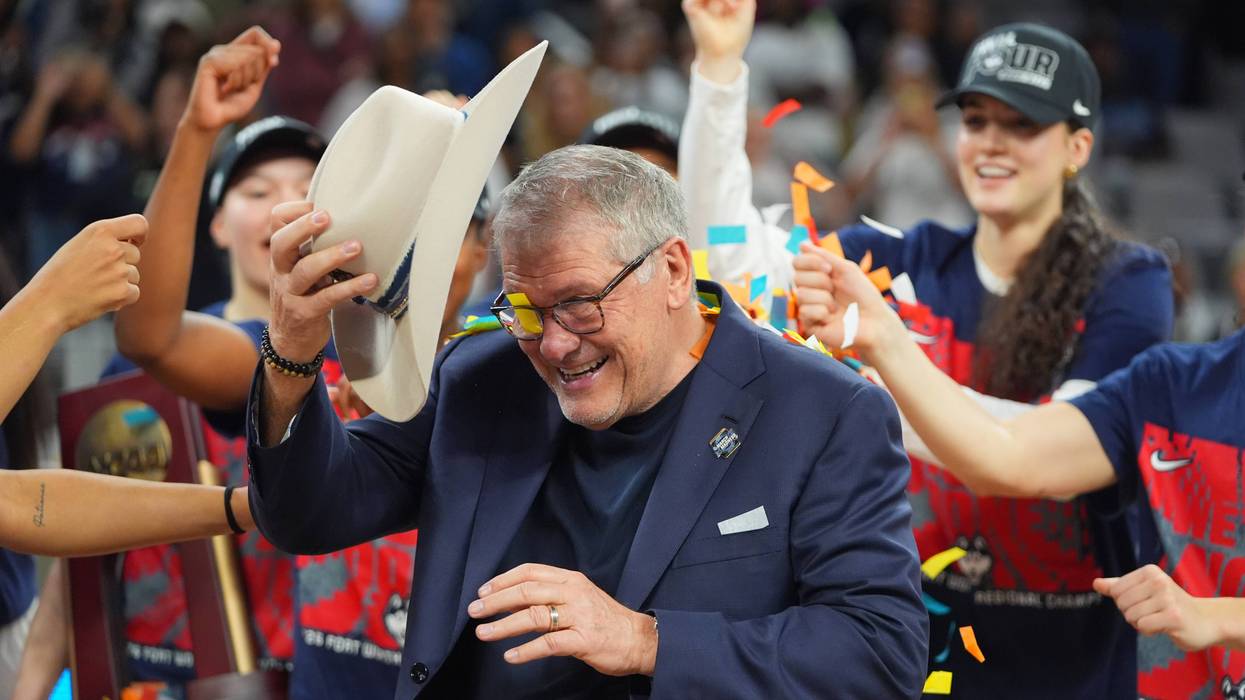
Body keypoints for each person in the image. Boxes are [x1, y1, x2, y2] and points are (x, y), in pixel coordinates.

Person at [247, 145, 928, 697]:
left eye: (578, 303)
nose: (552, 344)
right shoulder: (480, 375)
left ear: (670, 269)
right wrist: (291, 357)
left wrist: (643, 641)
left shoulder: (824, 412)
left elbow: (878, 651)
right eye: (524, 309)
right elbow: (309, 513)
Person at [682, 3, 1173, 697]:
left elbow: (1047, 459)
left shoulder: (1128, 282)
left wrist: (882, 364)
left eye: (1022, 125)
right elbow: (726, 264)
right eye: (975, 121)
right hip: (914, 662)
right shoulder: (894, 258)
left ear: (1076, 147)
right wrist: (720, 67)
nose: (990, 143)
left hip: (1069, 668)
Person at [795, 244, 1245, 700]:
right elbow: (1010, 456)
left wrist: (1219, 617)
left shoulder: (1135, 287)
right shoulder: (1168, 385)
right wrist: (884, 339)